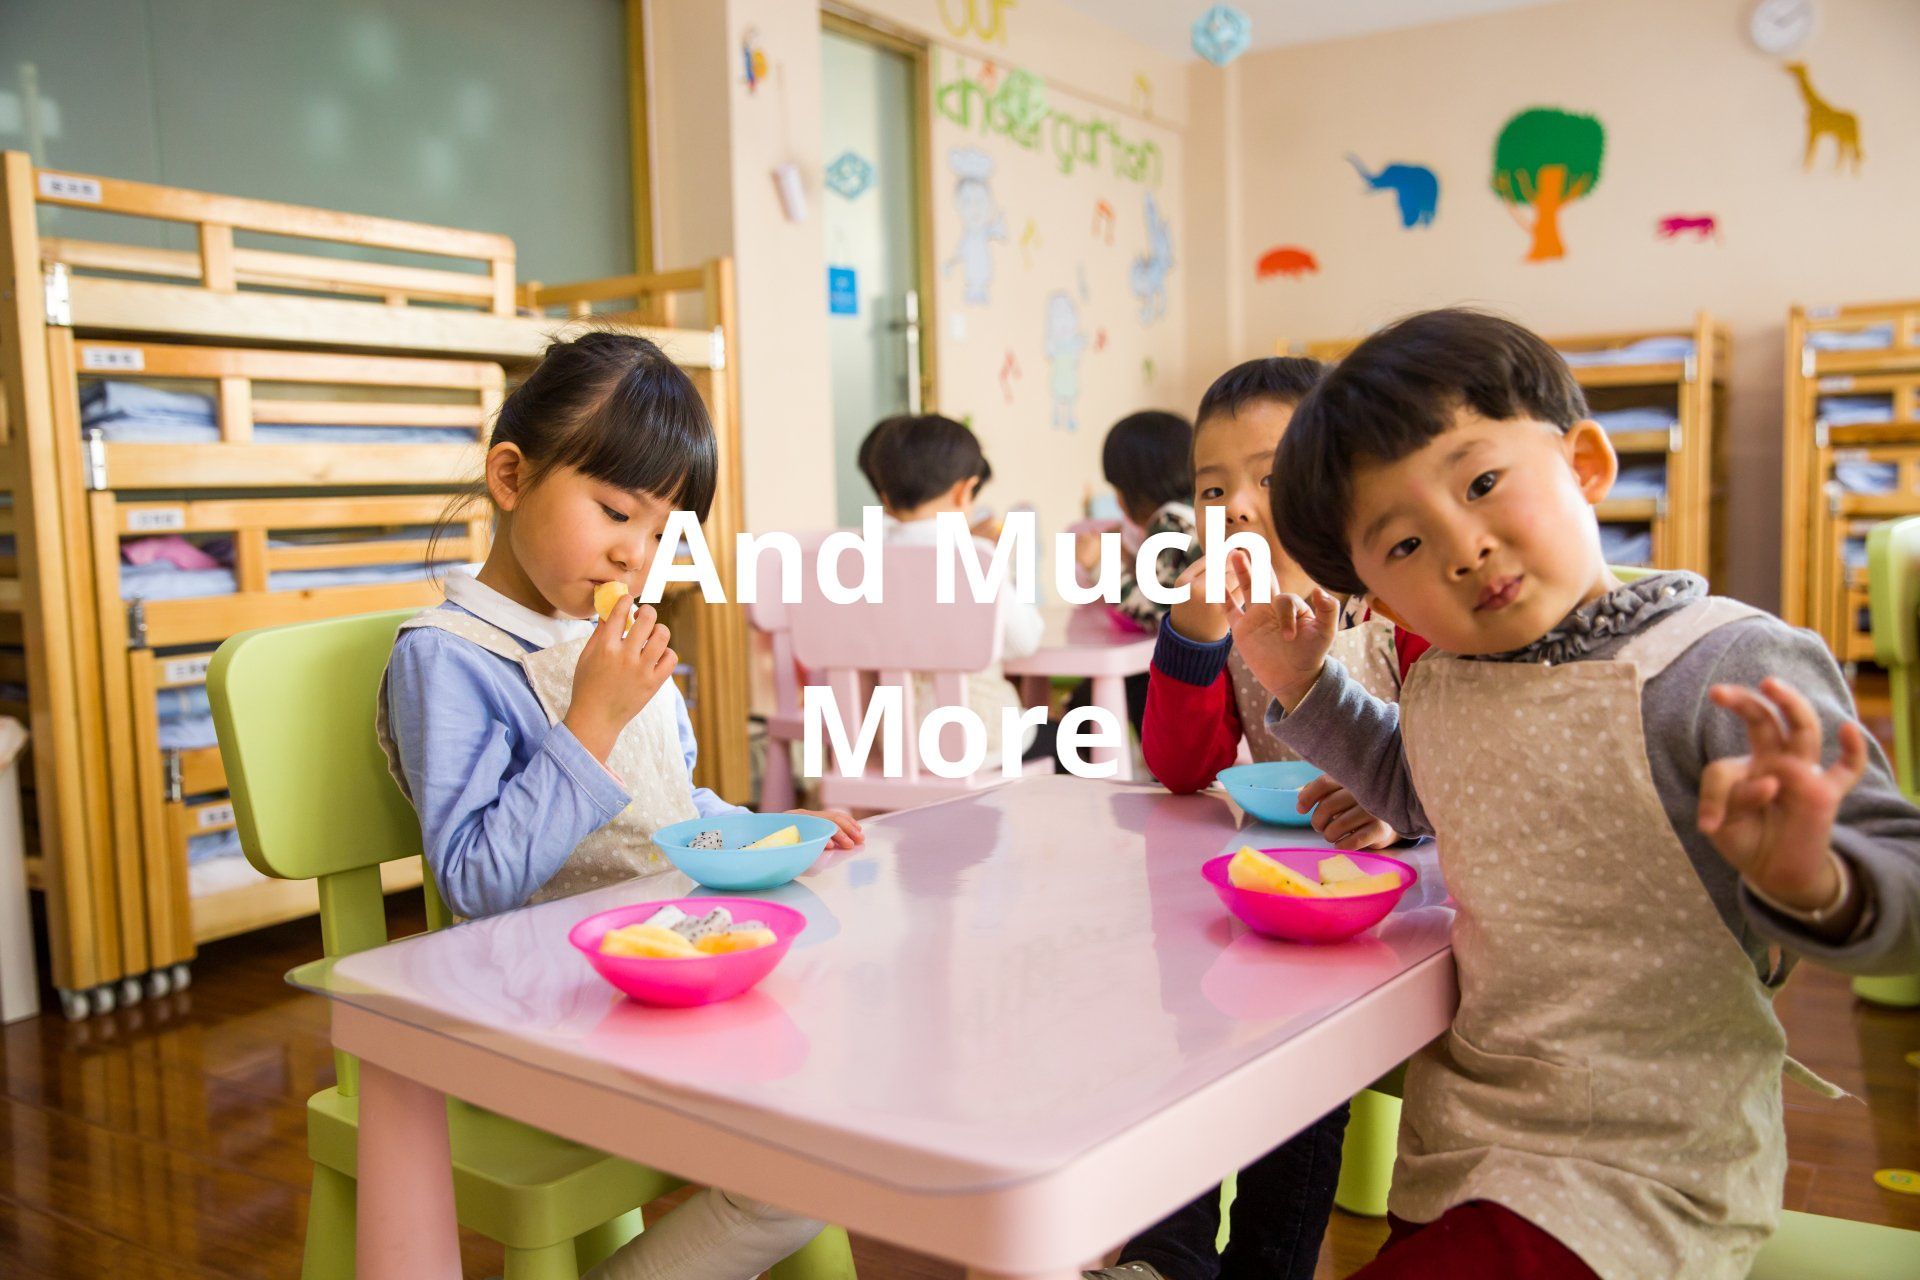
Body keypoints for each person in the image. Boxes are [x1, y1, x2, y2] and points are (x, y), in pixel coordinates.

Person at [1239, 308, 1920, 1279]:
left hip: (1642, 1161)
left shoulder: (1719, 664)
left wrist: (1816, 880)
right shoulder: (1446, 678)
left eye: (1482, 482)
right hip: (1462, 1142)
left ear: (1587, 463)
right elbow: (1424, 783)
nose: (1463, 547)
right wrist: (1304, 683)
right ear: (1380, 601)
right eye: (1403, 544)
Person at [382, 330, 859, 1280]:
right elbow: (474, 879)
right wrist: (589, 720)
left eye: (660, 533)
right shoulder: (447, 657)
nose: (634, 556)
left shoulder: (613, 637)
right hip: (544, 1004)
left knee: (853, 1069)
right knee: (808, 1164)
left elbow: (666, 809)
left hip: (659, 967)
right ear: (512, 477)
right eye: (614, 512)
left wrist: (772, 830)